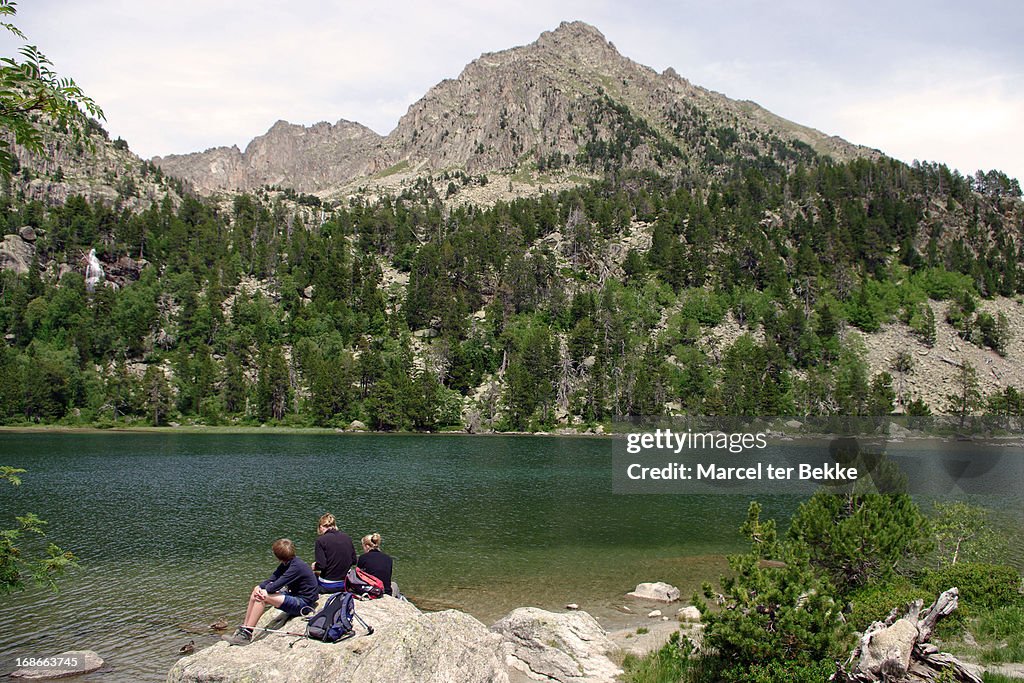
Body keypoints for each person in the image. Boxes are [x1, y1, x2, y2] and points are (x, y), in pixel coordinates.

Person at [223, 538, 319, 646]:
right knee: (256, 592)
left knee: (262, 596)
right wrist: (259, 586)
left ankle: (247, 634)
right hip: (295, 595)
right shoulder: (287, 563)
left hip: (304, 603)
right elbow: (272, 579)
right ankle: (244, 628)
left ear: (278, 557)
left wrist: (264, 589)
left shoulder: (296, 567)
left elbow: (273, 587)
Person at [312, 513, 356, 593]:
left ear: (321, 526)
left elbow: (322, 565)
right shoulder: (347, 538)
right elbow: (354, 561)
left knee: (311, 576)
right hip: (345, 584)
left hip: (328, 585)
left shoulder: (321, 541)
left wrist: (315, 566)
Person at [357, 532, 396, 597]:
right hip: (386, 591)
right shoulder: (388, 558)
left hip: (371, 591)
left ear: (367, 546)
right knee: (394, 585)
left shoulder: (363, 558)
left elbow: (359, 576)